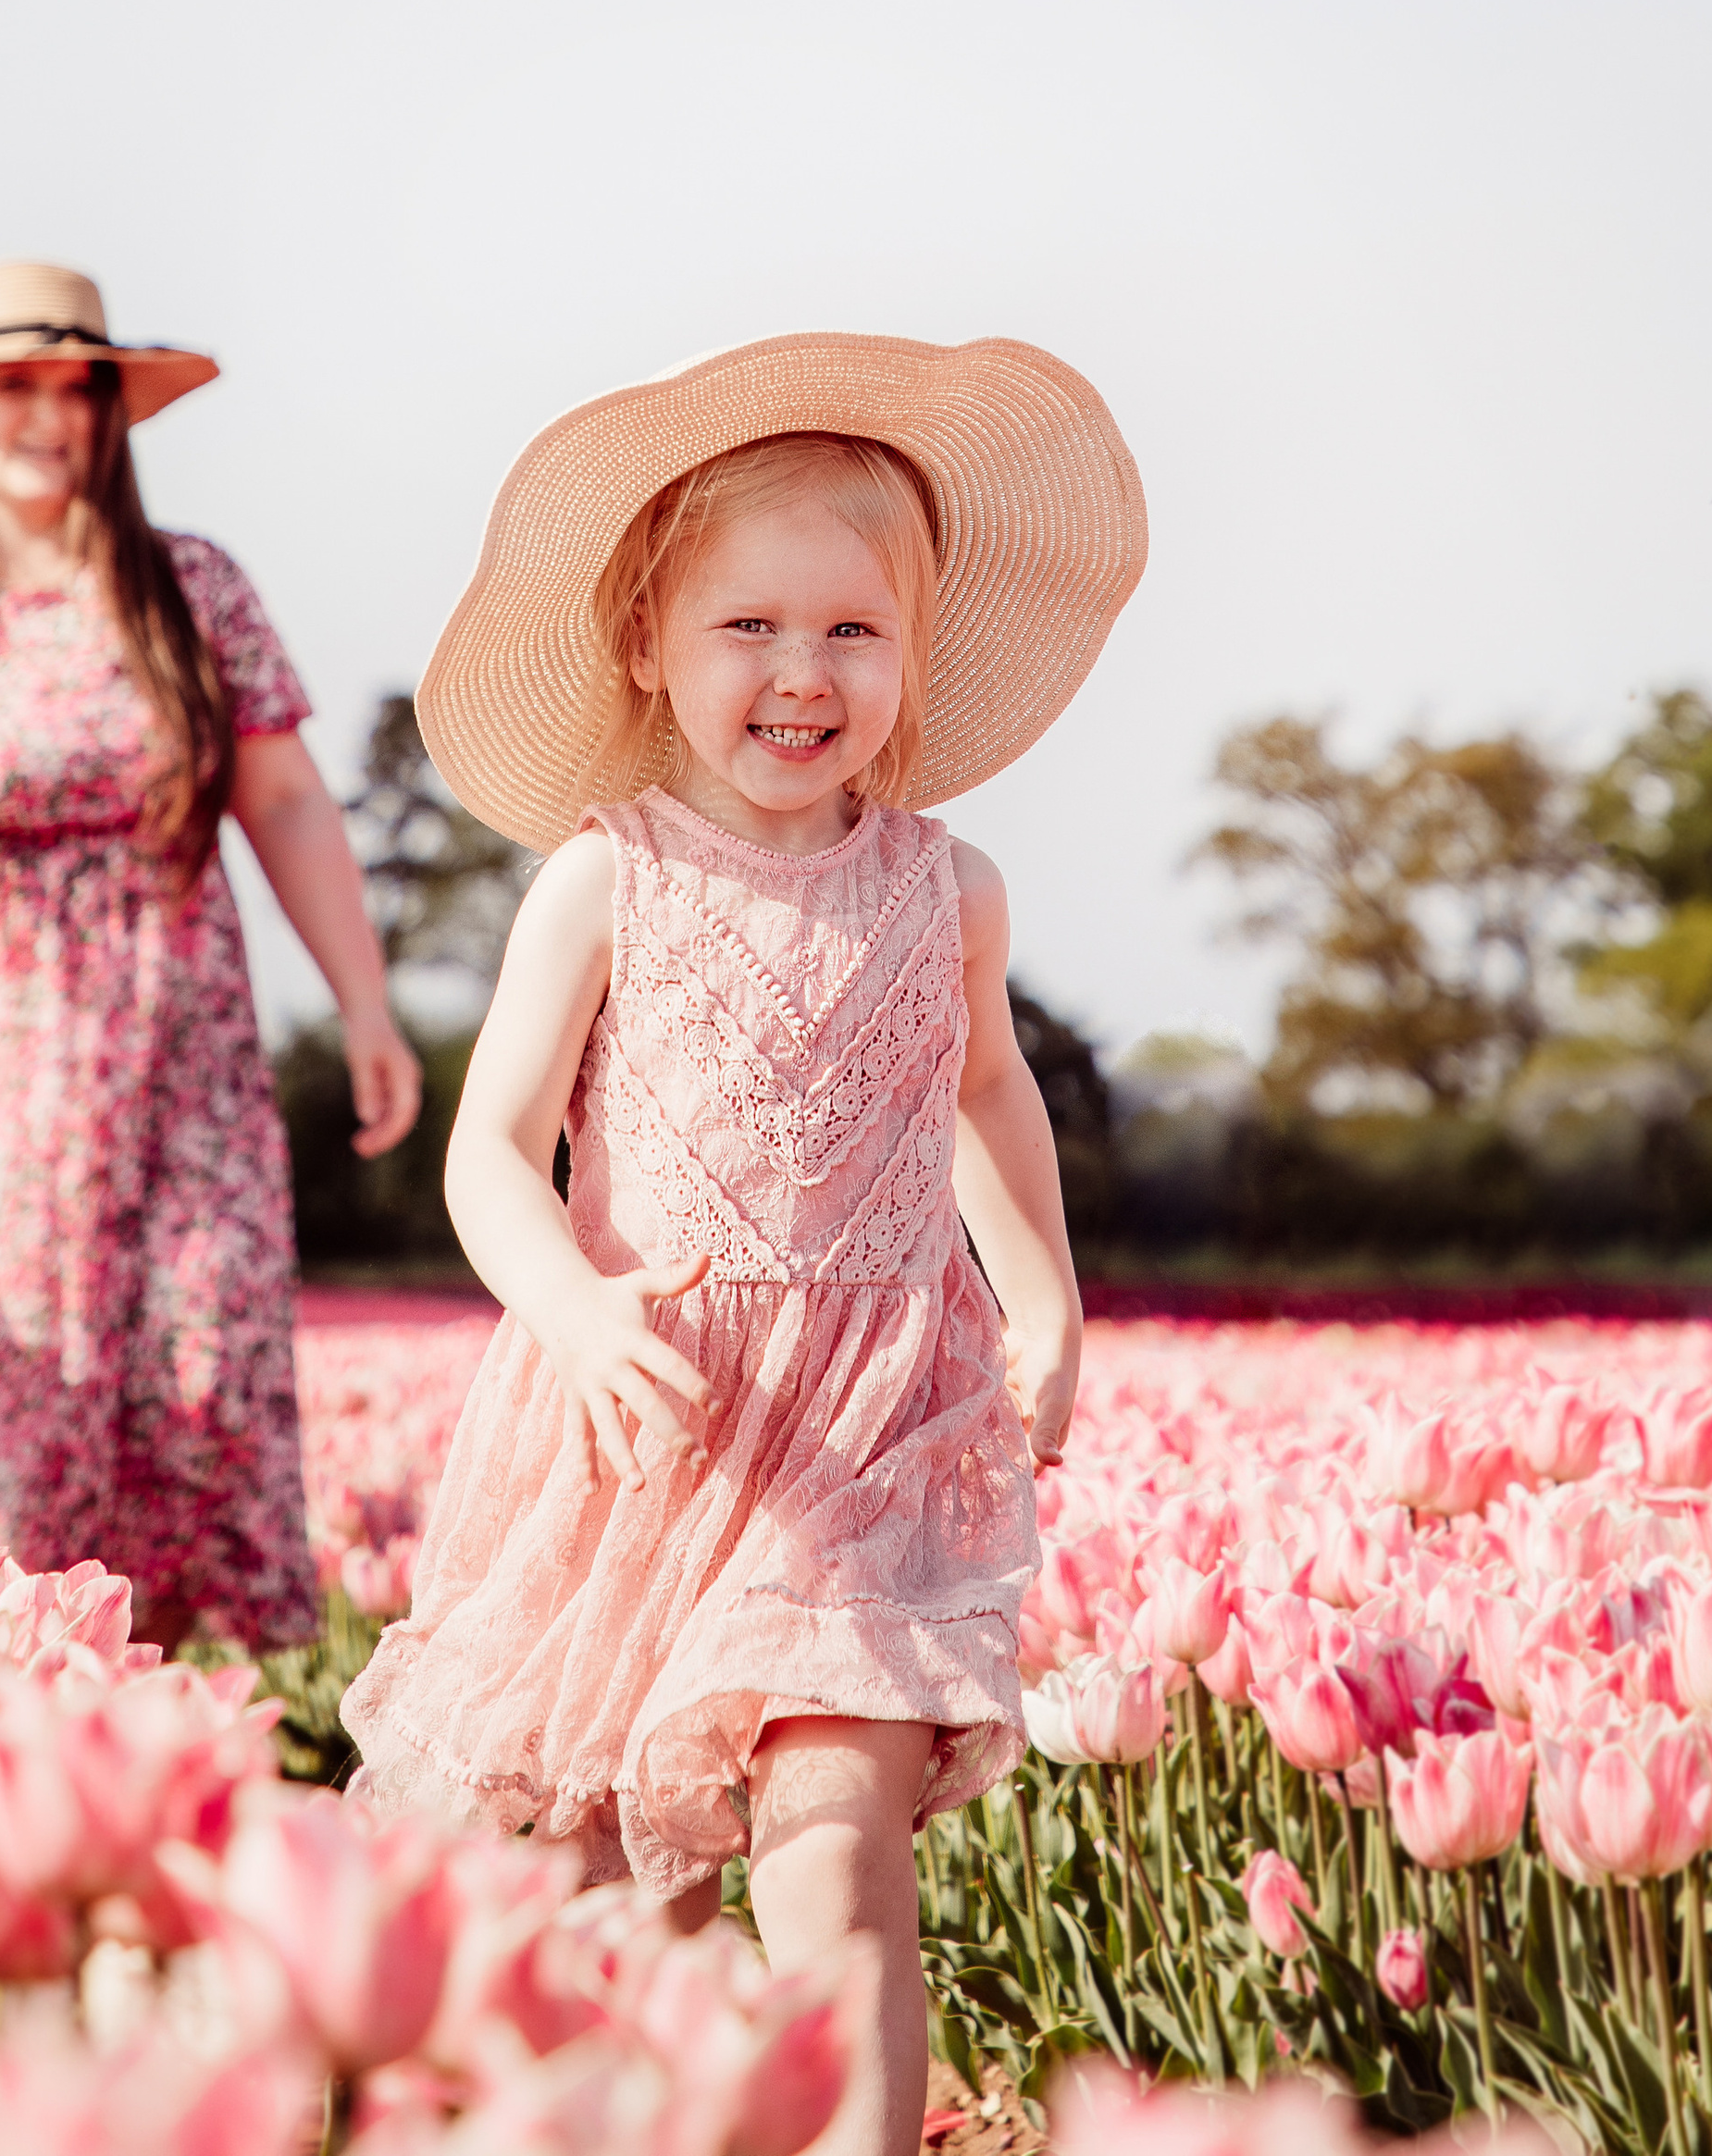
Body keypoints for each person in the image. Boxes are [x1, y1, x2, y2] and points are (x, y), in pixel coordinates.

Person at [340, 331, 1147, 2156]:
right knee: (632, 1895)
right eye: (748, 629)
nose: (802, 674)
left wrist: (1045, 1300)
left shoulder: (944, 886)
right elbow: (488, 1153)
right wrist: (568, 1307)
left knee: (827, 1851)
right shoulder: (604, 876)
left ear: (910, 655)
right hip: (655, 1427)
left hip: (866, 1434)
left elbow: (989, 1098)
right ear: (650, 647)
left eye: (851, 632)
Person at [0, 259, 422, 1651]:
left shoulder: (192, 591)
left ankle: (149, 1748)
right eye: (16, 386)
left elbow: (286, 801)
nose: (51, 416)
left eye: (79, 388)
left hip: (181, 1074)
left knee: (192, 1378)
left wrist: (367, 1003)